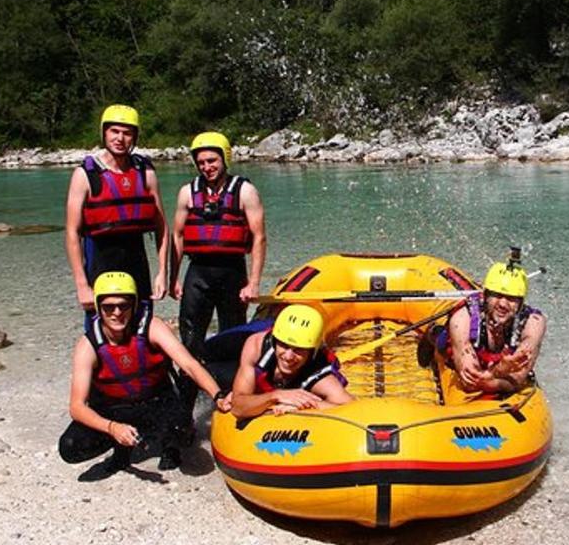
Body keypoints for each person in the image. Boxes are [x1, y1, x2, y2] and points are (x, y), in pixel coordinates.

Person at [59, 271, 230, 480]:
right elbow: (77, 406)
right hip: (115, 409)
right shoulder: (88, 346)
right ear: (98, 308)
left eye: (124, 305)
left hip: (156, 402)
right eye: (108, 307)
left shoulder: (152, 327)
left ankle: (169, 443)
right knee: (70, 448)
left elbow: (190, 364)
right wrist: (112, 428)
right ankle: (122, 450)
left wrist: (218, 396)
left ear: (134, 304)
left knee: (180, 428)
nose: (117, 313)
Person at [170, 131, 266, 433]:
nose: (207, 167)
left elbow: (260, 237)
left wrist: (253, 283)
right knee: (189, 345)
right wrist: (173, 278)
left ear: (225, 158)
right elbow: (178, 236)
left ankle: (231, 407)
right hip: (198, 273)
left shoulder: (245, 191)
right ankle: (183, 420)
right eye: (201, 162)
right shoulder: (188, 192)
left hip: (232, 273)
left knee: (231, 343)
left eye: (212, 160)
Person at [65, 104, 169, 310]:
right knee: (103, 332)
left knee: (141, 328)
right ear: (104, 133)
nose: (120, 138)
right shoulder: (85, 174)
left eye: (127, 133)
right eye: (114, 131)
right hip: (100, 260)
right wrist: (82, 285)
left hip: (136, 262)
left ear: (134, 137)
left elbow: (162, 227)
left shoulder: (145, 171)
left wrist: (162, 273)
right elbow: (72, 232)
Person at [440, 258, 547, 395]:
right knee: (442, 341)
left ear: (521, 303)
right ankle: (432, 333)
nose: (503, 304)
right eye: (497, 295)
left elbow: (518, 378)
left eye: (511, 298)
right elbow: (470, 382)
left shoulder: (534, 322)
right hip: (450, 343)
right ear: (485, 296)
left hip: (491, 363)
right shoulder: (462, 318)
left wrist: (494, 377)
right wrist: (501, 370)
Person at [230, 305, 353, 420]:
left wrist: (307, 406)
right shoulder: (256, 347)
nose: (288, 356)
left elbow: (351, 409)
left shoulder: (321, 375)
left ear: (311, 352)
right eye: (283, 345)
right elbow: (237, 408)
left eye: (299, 349)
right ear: (274, 342)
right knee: (228, 397)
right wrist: (276, 396)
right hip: (233, 369)